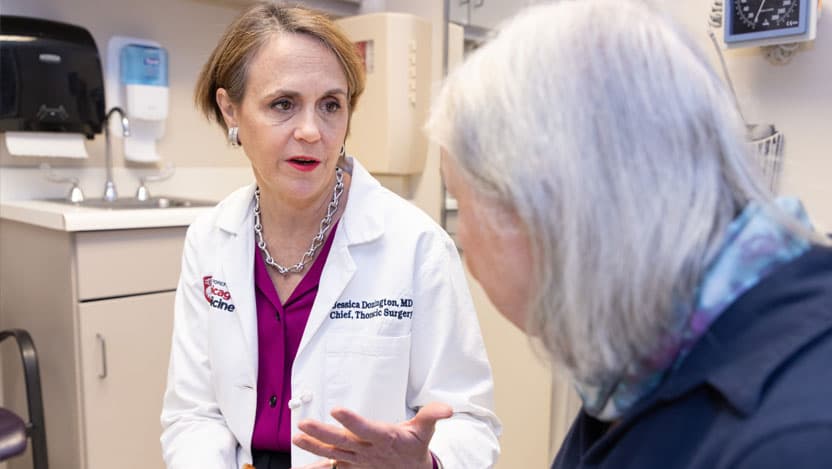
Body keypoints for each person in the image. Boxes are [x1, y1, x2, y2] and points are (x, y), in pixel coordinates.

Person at [426, 0, 832, 468]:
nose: (465, 244)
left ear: (546, 208)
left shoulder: (793, 441)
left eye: (461, 200)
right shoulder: (644, 361)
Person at [160, 3, 500, 469]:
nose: (311, 131)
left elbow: (470, 421)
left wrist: (425, 464)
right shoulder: (209, 240)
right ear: (230, 110)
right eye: (283, 104)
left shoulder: (417, 246)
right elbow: (194, 413)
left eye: (331, 105)